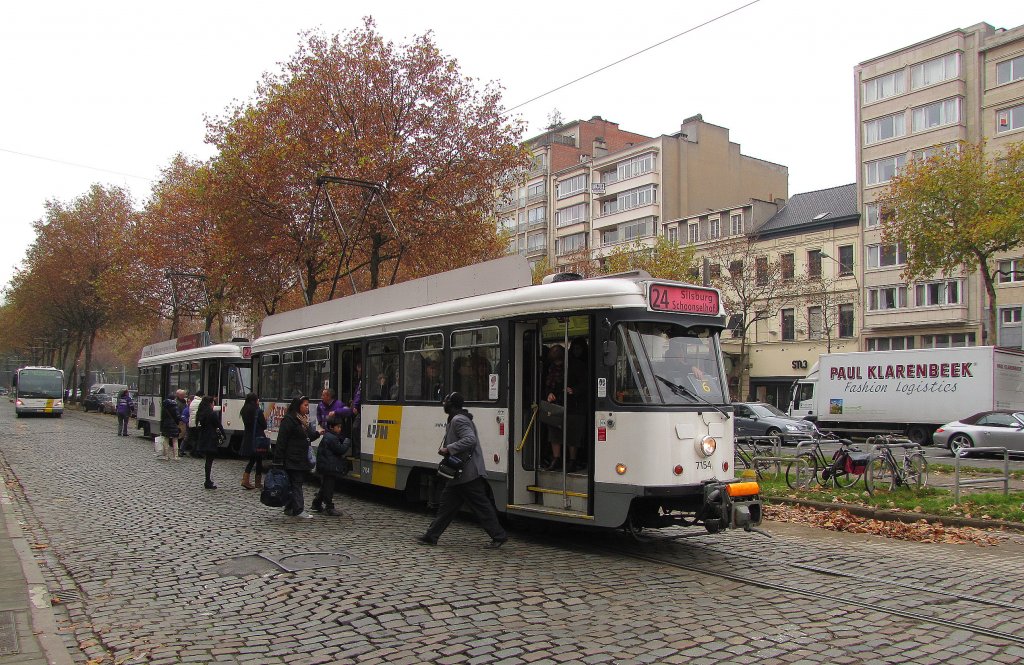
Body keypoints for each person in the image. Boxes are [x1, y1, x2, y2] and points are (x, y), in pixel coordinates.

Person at [416, 392, 508, 548]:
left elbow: (470, 439)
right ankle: (431, 536)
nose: (443, 404)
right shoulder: (458, 418)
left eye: (446, 401)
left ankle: (499, 536)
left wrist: (449, 449)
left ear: (451, 404)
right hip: (460, 475)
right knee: (447, 507)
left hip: (467, 473)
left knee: (481, 506)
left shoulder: (459, 420)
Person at [273, 396, 318, 518]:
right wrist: (278, 460)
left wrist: (317, 434)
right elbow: (281, 441)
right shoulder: (289, 420)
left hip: (299, 458)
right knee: (296, 483)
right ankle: (298, 509)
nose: (307, 407)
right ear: (298, 406)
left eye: (308, 405)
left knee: (293, 483)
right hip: (292, 458)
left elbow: (307, 437)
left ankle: (289, 507)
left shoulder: (302, 421)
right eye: (305, 405)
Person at [311, 414, 351, 516]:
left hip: (325, 466)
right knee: (329, 487)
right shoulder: (332, 438)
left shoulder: (328, 436)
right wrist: (347, 441)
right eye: (338, 427)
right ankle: (329, 507)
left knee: (325, 486)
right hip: (329, 467)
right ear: (331, 427)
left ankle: (316, 503)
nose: (340, 429)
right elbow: (341, 449)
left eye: (340, 427)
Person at [542, 344, 566, 471]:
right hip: (554, 405)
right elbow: (547, 385)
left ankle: (568, 459)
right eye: (555, 361)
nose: (557, 363)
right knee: (553, 433)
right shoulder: (551, 369)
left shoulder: (570, 368)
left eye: (559, 361)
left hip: (569, 404)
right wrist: (549, 393)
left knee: (568, 433)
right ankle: (556, 458)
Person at [239, 393, 267, 490]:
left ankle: (254, 481)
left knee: (257, 459)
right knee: (255, 459)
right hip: (257, 438)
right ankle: (248, 480)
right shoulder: (257, 411)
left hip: (248, 437)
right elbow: (264, 425)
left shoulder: (244, 410)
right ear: (254, 400)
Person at [196, 395, 225, 489]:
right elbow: (218, 424)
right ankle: (207, 481)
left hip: (203, 437)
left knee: (208, 460)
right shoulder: (211, 413)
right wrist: (223, 434)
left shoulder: (201, 412)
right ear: (210, 403)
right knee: (209, 460)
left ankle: (207, 480)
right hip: (211, 438)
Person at [158, 396, 180, 461]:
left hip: (166, 424)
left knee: (166, 440)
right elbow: (177, 416)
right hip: (174, 424)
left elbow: (162, 417)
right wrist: (177, 423)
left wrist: (161, 427)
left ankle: (166, 456)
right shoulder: (175, 406)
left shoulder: (164, 406)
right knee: (175, 440)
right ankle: (176, 456)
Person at [186, 391, 203, 458]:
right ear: (201, 396)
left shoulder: (193, 401)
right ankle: (195, 452)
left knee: (195, 438)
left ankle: (194, 452)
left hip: (192, 423)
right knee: (198, 439)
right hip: (197, 423)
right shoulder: (200, 402)